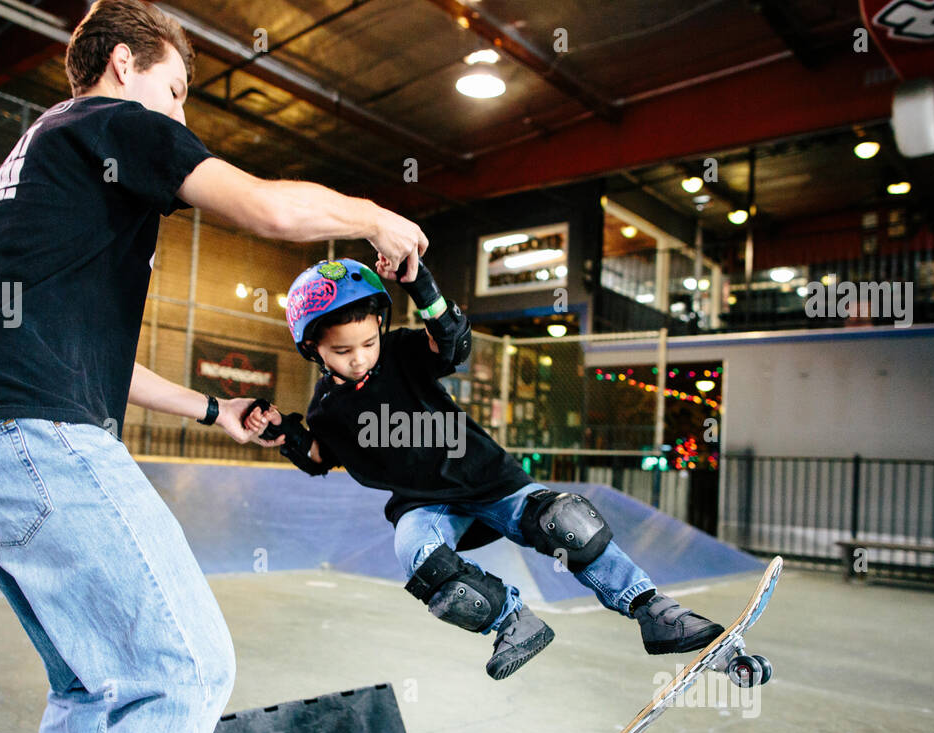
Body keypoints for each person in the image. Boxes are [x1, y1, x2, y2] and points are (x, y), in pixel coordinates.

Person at [0, 0, 427, 733]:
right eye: (178, 89)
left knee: (95, 686)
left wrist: (211, 411)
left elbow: (93, 361)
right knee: (180, 667)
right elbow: (261, 207)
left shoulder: (39, 161)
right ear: (123, 64)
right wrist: (371, 213)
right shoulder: (109, 119)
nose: (182, 115)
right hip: (35, 434)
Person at [244, 255, 728, 680]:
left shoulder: (404, 352)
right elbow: (320, 458)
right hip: (423, 502)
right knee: (416, 552)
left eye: (368, 343)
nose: (359, 359)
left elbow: (451, 342)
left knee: (566, 523)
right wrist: (280, 433)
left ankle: (653, 610)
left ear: (380, 329)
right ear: (312, 349)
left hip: (485, 476)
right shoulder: (327, 406)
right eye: (342, 352)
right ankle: (515, 621)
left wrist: (420, 283)